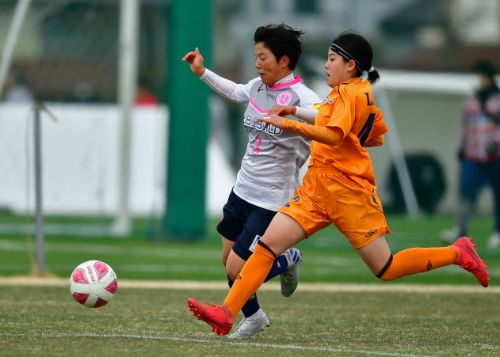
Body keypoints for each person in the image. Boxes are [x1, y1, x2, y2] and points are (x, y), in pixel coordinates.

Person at [187, 32, 490, 336]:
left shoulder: (353, 94)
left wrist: (289, 122)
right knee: (267, 246)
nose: (327, 65)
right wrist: (294, 111)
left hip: (350, 196)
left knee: (386, 267)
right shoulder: (347, 92)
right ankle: (227, 313)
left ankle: (457, 252)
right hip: (317, 188)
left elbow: (334, 134)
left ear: (351, 64)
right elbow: (372, 133)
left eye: (333, 59)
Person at [182, 24, 322, 339]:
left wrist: (296, 116)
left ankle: (286, 259)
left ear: (284, 60)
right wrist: (202, 72)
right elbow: (234, 91)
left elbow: (328, 126)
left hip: (271, 201)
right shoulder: (258, 86)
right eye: (255, 57)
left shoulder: (304, 99)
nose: (257, 63)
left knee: (236, 268)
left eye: (263, 57)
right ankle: (255, 316)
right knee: (227, 259)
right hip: (242, 189)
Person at [441, 60, 500, 248]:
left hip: (495, 156)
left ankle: (497, 231)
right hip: (473, 155)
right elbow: (466, 125)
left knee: (498, 195)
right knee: (466, 191)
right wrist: (462, 146)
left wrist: (496, 142)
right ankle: (460, 228)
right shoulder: (471, 98)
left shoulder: (497, 99)